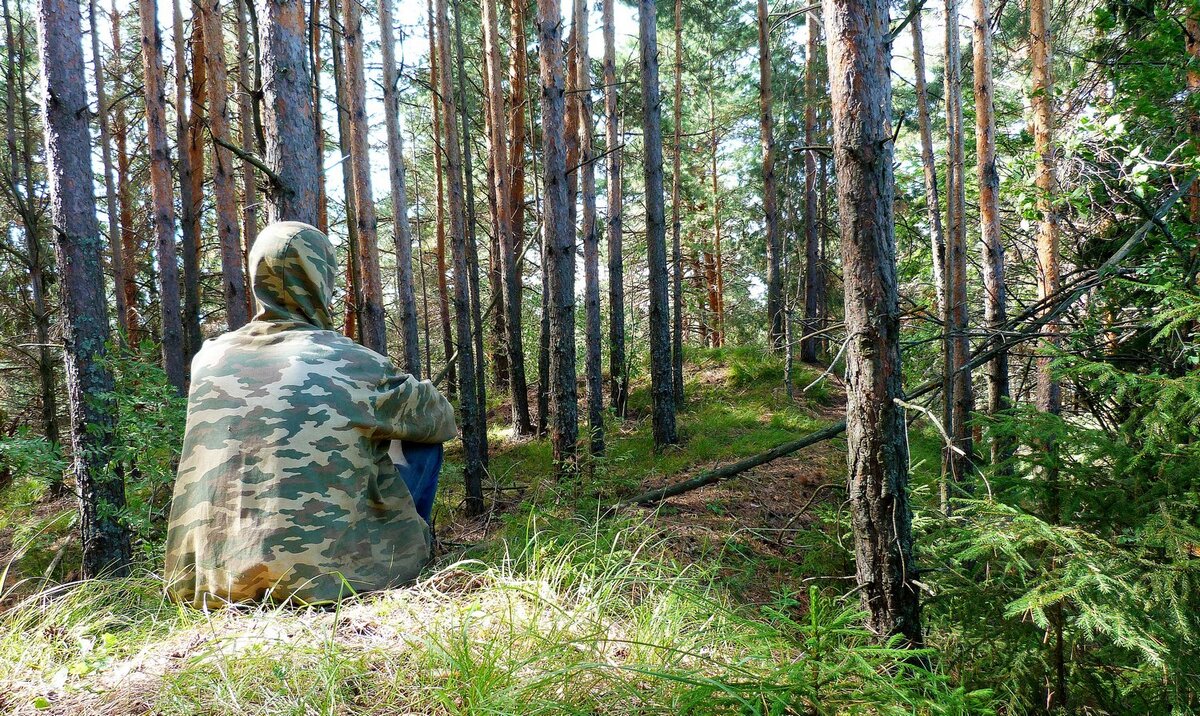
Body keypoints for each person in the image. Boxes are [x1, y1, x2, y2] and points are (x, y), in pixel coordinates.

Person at [164, 222, 457, 607]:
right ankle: (395, 559)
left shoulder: (209, 358)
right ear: (322, 279)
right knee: (421, 442)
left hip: (207, 585)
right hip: (329, 583)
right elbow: (441, 420)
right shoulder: (353, 360)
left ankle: (239, 563)